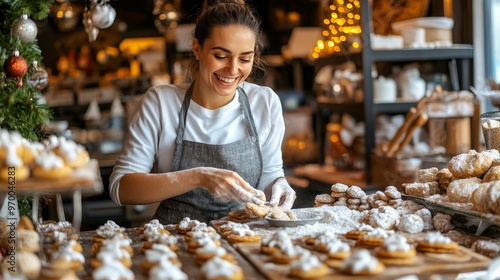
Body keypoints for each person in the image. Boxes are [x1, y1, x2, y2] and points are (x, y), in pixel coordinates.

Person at [109, 0, 296, 224]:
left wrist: (278, 183)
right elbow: (121, 188)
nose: (233, 69)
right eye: (221, 56)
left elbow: (270, 172)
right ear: (197, 49)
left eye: (245, 58)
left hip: (245, 237)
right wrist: (198, 177)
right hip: (175, 240)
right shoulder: (160, 102)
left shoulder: (264, 102)